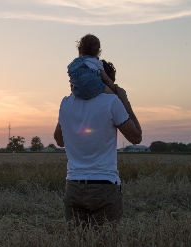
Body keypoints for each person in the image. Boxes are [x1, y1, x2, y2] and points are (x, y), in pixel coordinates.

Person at [54, 59, 142, 228]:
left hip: (73, 185)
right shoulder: (111, 102)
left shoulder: (66, 103)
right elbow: (136, 137)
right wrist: (122, 98)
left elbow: (59, 140)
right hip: (104, 187)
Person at [68, 34, 116, 100]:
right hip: (94, 87)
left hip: (79, 91)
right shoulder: (96, 62)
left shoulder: (74, 64)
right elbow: (106, 79)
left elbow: (72, 81)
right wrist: (115, 90)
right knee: (114, 97)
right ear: (98, 52)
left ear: (79, 50)